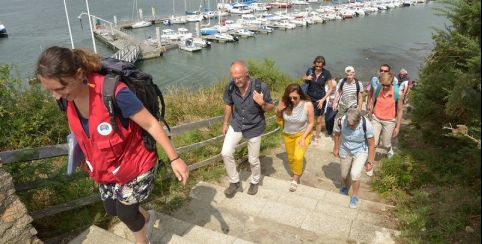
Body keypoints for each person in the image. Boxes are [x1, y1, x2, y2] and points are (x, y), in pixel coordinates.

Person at [35, 46, 189, 244]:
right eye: (51, 91)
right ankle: (146, 218)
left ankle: (142, 240)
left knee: (125, 213)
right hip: (106, 167)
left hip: (135, 162)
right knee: (111, 208)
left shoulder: (114, 93)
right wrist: (81, 157)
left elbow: (151, 123)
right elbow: (84, 131)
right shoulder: (67, 99)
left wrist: (174, 158)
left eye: (60, 88)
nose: (56, 96)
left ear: (80, 74)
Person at [221, 60, 274, 197]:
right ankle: (234, 181)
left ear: (247, 74)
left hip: (254, 126)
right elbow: (228, 105)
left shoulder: (260, 87)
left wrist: (262, 103)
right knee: (225, 152)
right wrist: (225, 123)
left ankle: (255, 181)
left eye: (239, 77)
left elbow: (270, 108)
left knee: (253, 160)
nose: (237, 80)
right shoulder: (230, 87)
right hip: (237, 124)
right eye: (234, 77)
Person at [332, 108, 375, 209]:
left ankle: (355, 196)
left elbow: (372, 144)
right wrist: (336, 147)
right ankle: (344, 187)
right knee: (344, 174)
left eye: (352, 125)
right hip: (345, 148)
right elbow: (337, 134)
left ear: (359, 121)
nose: (349, 127)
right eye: (348, 124)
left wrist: (370, 162)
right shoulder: (340, 121)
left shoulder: (366, 124)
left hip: (360, 150)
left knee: (355, 174)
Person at [275, 84, 315, 192]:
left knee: (298, 157)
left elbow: (311, 123)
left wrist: (303, 138)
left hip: (302, 134)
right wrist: (279, 109)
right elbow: (278, 116)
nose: (292, 100)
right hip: (288, 134)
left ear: (300, 95)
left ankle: (295, 178)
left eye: (295, 98)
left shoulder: (307, 105)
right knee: (291, 158)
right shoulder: (284, 102)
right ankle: (295, 170)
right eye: (290, 97)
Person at [368, 72, 404, 172]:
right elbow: (373, 101)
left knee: (385, 144)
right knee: (373, 144)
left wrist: (398, 126)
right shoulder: (378, 89)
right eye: (382, 84)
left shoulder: (398, 93)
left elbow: (400, 110)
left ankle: (389, 149)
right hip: (376, 119)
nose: (384, 87)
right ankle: (370, 165)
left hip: (389, 121)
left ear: (392, 83)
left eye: (386, 85)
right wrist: (370, 113)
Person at [302, 56, 333, 145]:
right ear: (314, 64)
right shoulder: (310, 70)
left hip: (320, 100)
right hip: (309, 99)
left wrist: (323, 100)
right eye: (317, 66)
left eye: (320, 66)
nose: (318, 68)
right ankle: (308, 136)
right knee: (309, 119)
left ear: (323, 65)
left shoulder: (326, 73)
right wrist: (306, 78)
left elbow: (331, 88)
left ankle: (316, 137)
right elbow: (303, 78)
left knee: (319, 120)